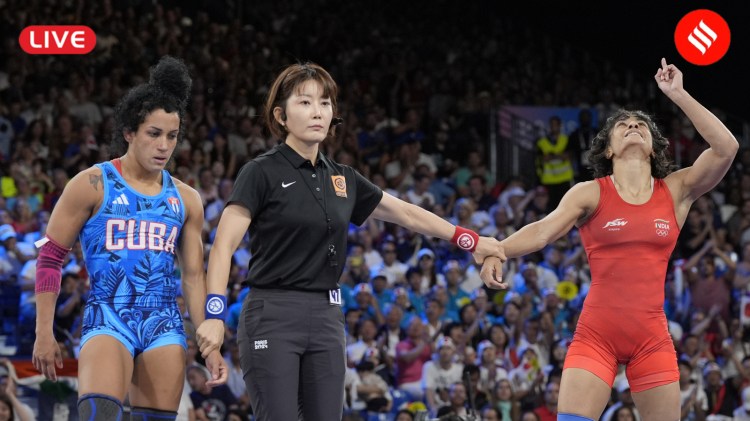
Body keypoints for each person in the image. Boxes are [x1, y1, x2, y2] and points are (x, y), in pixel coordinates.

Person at [195, 62, 506, 420]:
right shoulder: (260, 171)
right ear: (280, 115)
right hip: (272, 313)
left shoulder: (344, 178)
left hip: (328, 316)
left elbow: (407, 213)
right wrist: (215, 314)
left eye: (325, 103)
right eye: (305, 102)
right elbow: (222, 246)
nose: (318, 112)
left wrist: (470, 239)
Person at [480, 59, 739, 420]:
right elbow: (543, 230)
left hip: (652, 338)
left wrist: (678, 94)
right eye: (623, 125)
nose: (633, 125)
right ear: (608, 149)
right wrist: (499, 249)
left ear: (653, 147)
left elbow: (726, 148)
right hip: (596, 334)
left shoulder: (676, 190)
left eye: (641, 125)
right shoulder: (589, 193)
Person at [32, 56, 228, 421]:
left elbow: (193, 277)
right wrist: (44, 331)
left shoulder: (186, 199)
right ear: (129, 133)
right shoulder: (91, 183)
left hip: (165, 322)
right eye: (154, 134)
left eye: (172, 136)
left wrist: (208, 345)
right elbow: (49, 257)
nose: (164, 146)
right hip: (108, 314)